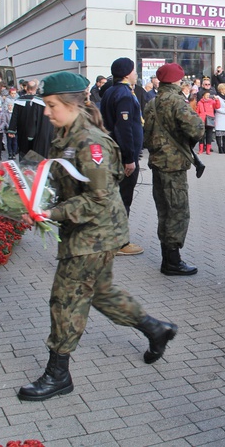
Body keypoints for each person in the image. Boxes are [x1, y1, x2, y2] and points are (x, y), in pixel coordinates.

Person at [17, 72, 177, 402]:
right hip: (88, 230)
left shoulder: (90, 143)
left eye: (51, 106)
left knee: (66, 299)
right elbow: (58, 177)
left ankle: (57, 374)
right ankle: (155, 329)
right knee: (100, 292)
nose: (46, 112)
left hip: (95, 233)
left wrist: (49, 214)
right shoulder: (65, 135)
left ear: (72, 104)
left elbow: (98, 196)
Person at [143, 63, 205, 276]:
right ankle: (173, 261)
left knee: (164, 210)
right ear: (177, 80)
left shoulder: (152, 103)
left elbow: (146, 134)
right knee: (178, 211)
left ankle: (167, 258)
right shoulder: (177, 101)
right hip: (174, 165)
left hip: (157, 162)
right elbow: (197, 128)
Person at [100, 57, 145, 256]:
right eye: (134, 71)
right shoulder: (124, 94)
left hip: (113, 151)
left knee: (115, 198)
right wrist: (129, 158)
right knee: (122, 199)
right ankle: (120, 242)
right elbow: (124, 128)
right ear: (127, 73)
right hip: (122, 154)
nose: (136, 74)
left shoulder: (110, 90)